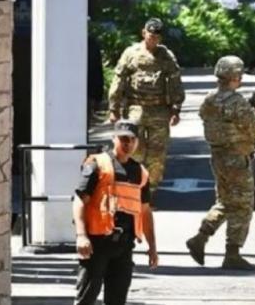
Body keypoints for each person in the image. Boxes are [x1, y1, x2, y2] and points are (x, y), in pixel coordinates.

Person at [186, 56, 255, 270]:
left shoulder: (209, 99)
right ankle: (232, 253)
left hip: (218, 157)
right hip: (237, 158)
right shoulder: (236, 102)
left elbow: (205, 117)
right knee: (242, 205)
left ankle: (201, 237)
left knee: (226, 201)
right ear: (235, 77)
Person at [72, 119, 158, 305]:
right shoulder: (98, 164)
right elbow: (79, 200)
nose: (128, 144)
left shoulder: (140, 172)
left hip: (124, 246)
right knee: (86, 298)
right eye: (123, 139)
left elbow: (145, 212)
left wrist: (152, 247)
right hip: (96, 244)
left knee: (117, 300)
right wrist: (81, 236)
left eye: (132, 140)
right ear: (114, 139)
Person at [107, 18, 185, 197]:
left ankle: (148, 194)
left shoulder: (166, 56)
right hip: (135, 109)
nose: (153, 39)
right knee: (134, 151)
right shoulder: (131, 53)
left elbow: (175, 81)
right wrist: (114, 108)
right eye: (150, 35)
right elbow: (119, 79)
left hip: (159, 110)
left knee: (157, 156)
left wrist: (176, 108)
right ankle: (133, 190)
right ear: (144, 33)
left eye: (156, 37)